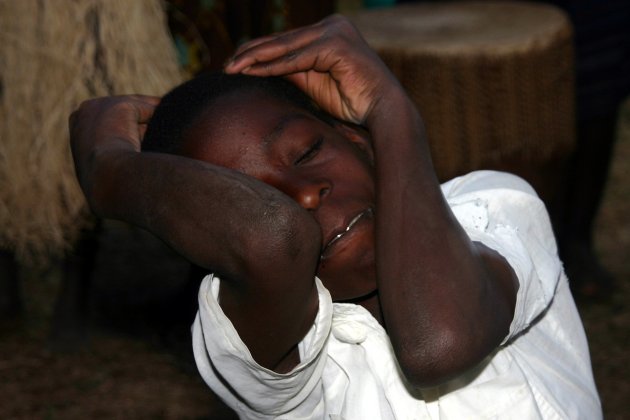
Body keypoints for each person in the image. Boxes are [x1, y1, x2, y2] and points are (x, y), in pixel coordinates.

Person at [69, 15, 601, 419]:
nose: (302, 199)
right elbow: (274, 241)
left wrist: (389, 109)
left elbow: (440, 343)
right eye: (252, 197)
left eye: (304, 155)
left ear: (357, 140)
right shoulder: (255, 337)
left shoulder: (490, 205)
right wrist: (110, 172)